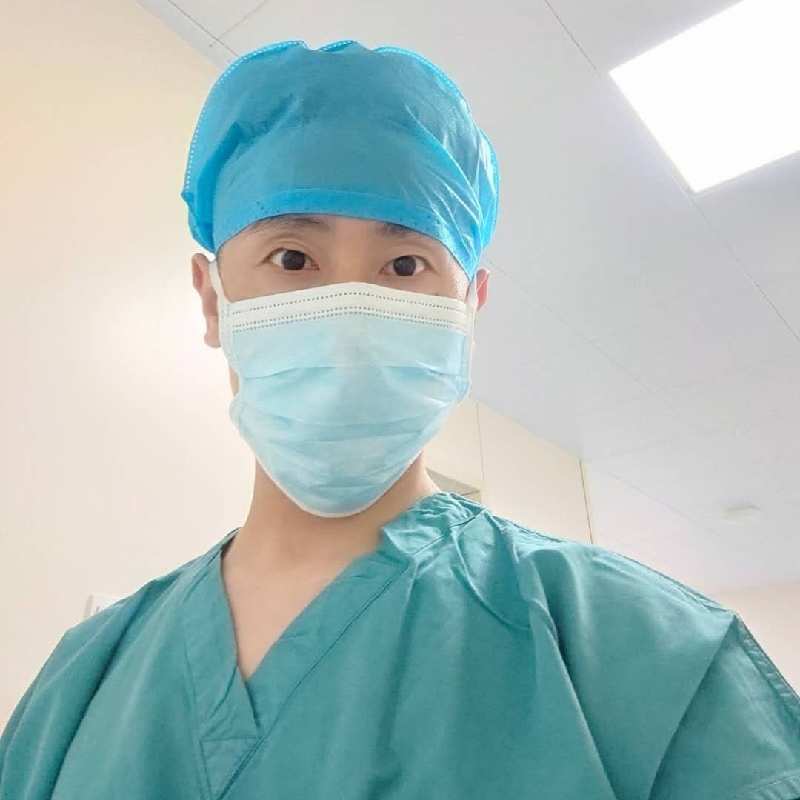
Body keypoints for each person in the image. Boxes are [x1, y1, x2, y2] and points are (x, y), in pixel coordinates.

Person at [2, 39, 799, 800]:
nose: (349, 314)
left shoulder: (643, 657)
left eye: (406, 264)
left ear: (468, 307)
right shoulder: (80, 684)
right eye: (292, 258)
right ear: (213, 301)